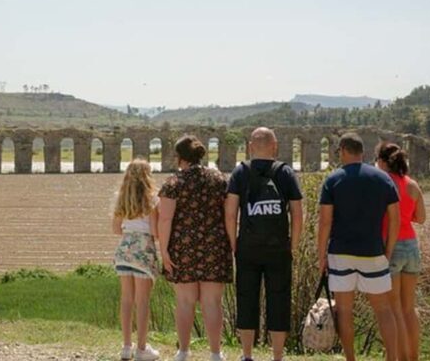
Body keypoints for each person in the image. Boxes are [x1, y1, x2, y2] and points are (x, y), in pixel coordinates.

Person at [317, 132, 401, 361]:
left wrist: (321, 255)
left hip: (340, 253)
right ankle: (392, 358)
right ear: (362, 151)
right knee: (383, 309)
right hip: (373, 251)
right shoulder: (383, 179)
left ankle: (350, 359)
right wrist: (388, 250)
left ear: (343, 150)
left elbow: (325, 222)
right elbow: (396, 218)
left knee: (344, 311)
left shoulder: (333, 180)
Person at [224, 127, 304, 361]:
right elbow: (297, 214)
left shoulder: (240, 173)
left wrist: (233, 244)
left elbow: (230, 213)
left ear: (250, 147)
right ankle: (277, 356)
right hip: (279, 247)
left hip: (247, 246)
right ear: (275, 146)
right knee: (279, 299)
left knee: (246, 297)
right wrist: (293, 245)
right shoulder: (285, 172)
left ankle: (247, 355)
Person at [158, 135, 233, 361]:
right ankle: (215, 353)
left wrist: (164, 251)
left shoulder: (173, 183)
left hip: (183, 247)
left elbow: (165, 219)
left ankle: (183, 351)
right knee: (213, 302)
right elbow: (229, 214)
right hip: (214, 246)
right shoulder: (219, 179)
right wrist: (232, 244)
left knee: (184, 301)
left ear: (179, 157)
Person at [375, 142, 426, 361]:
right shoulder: (412, 185)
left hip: (391, 246)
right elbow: (421, 217)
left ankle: (394, 357)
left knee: (392, 308)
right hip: (411, 246)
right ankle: (411, 357)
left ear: (382, 161)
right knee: (408, 308)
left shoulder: (382, 184)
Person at [112, 158, 161, 361]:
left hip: (124, 249)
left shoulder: (120, 198)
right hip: (144, 250)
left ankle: (126, 346)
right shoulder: (152, 200)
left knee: (126, 299)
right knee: (142, 302)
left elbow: (115, 228)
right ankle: (141, 348)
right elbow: (156, 231)